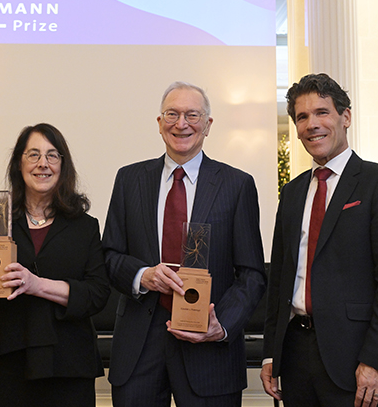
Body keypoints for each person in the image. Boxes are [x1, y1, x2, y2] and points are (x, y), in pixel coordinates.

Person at [102, 81, 266, 406]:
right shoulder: (129, 180)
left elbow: (252, 274)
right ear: (159, 123)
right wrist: (142, 275)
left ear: (208, 125)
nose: (182, 124)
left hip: (209, 348)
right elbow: (109, 256)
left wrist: (222, 326)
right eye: (172, 114)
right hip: (139, 345)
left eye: (192, 115)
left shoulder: (237, 185)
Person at [261, 73, 378, 407]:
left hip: (359, 360)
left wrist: (376, 361)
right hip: (296, 357)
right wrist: (271, 354)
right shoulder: (292, 192)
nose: (311, 124)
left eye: (322, 112)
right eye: (302, 117)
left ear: (345, 117)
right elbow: (280, 280)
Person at [0, 123, 111, 407]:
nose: (43, 164)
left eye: (52, 155)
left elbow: (97, 294)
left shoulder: (84, 227)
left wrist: (37, 285)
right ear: (18, 163)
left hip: (69, 364)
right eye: (33, 155)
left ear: (63, 165)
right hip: (4, 361)